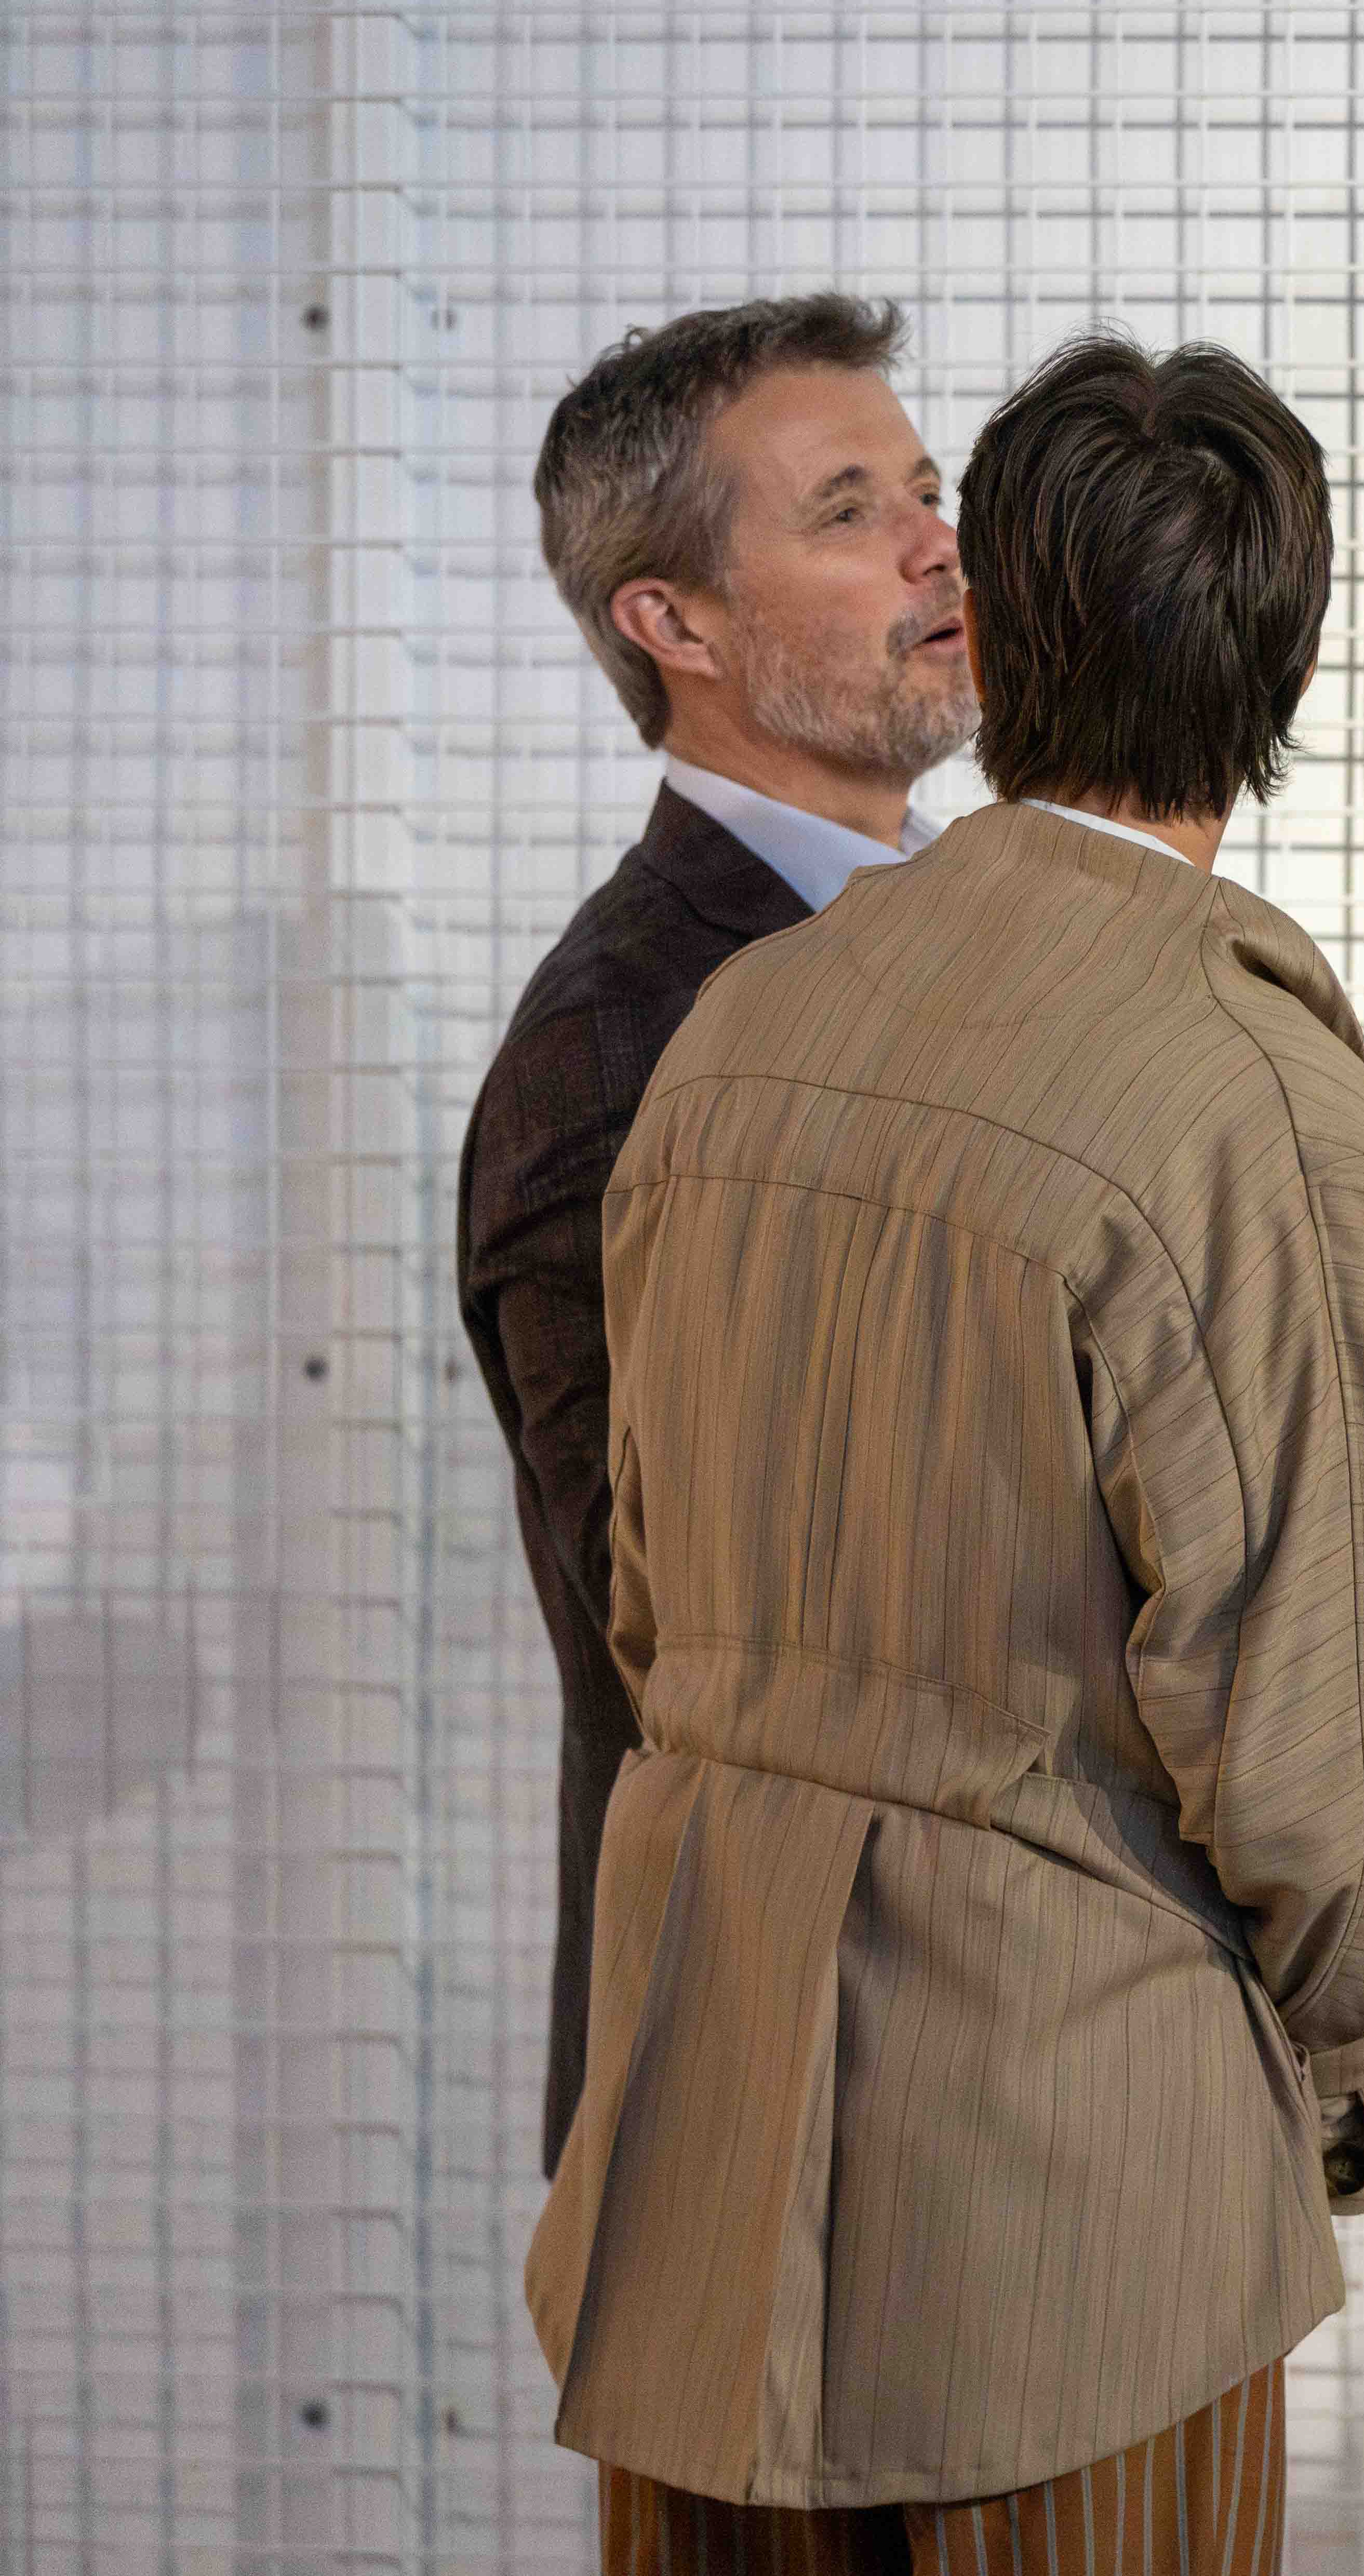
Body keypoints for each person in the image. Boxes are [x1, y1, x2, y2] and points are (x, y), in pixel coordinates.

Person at [523, 334, 1364, 2571]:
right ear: (1283, 666)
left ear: (996, 621)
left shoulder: (747, 1022)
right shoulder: (1242, 1091)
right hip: (1067, 2184)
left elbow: (646, 1587)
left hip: (702, 2145)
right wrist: (1349, 2048)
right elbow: (1326, 1717)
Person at [461, 291, 975, 2177]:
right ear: (671, 626)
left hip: (989, 2046)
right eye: (848, 511)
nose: (937, 547)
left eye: (926, 490)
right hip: (770, 2087)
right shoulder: (620, 1045)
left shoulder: (982, 945)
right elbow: (688, 1634)